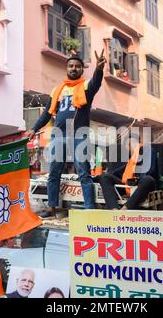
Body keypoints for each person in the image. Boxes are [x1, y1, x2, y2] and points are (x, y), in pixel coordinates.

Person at [25, 51, 106, 216]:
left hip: (79, 134)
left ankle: (89, 208)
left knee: (83, 171)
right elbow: (47, 113)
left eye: (77, 66)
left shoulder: (86, 87)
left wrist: (99, 69)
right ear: (67, 68)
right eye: (71, 66)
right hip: (58, 134)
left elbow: (96, 83)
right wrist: (34, 128)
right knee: (54, 171)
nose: (74, 68)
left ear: (82, 70)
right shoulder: (57, 90)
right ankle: (52, 207)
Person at [98, 140, 158, 210]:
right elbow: (117, 173)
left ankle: (125, 209)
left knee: (148, 180)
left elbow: (150, 171)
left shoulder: (149, 151)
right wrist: (96, 178)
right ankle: (114, 209)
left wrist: (136, 180)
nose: (127, 150)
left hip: (142, 186)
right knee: (105, 177)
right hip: (130, 186)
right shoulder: (132, 160)